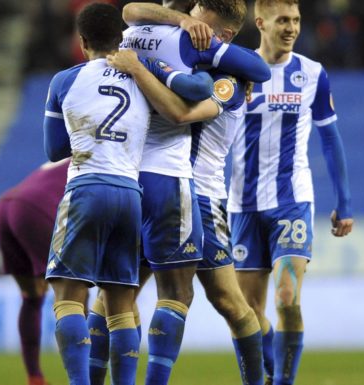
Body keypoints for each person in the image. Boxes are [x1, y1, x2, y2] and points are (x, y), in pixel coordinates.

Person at [84, 2, 270, 384]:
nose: (192, 29)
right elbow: (134, 10)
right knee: (116, 297)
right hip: (154, 187)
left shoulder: (228, 79)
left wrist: (140, 68)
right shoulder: (180, 58)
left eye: (203, 25)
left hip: (200, 195)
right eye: (193, 16)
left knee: (228, 301)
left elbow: (182, 114)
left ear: (224, 36)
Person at [229, 1, 354, 383]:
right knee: (247, 313)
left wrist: (344, 202)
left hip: (291, 202)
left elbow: (330, 139)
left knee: (287, 298)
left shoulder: (312, 74)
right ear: (261, 22)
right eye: (283, 20)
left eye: (296, 20)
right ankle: (262, 375)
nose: (291, 28)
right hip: (242, 205)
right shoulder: (234, 70)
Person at [42, 3, 152, 384]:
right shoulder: (143, 77)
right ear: (119, 38)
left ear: (82, 40)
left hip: (88, 187)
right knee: (121, 303)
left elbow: (54, 150)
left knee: (68, 297)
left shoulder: (65, 81)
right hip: (130, 193)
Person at [0, 158, 69, 385]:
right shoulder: (104, 154)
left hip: (5, 205)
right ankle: (81, 376)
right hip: (33, 208)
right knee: (74, 292)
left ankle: (35, 377)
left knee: (32, 296)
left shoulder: (63, 154)